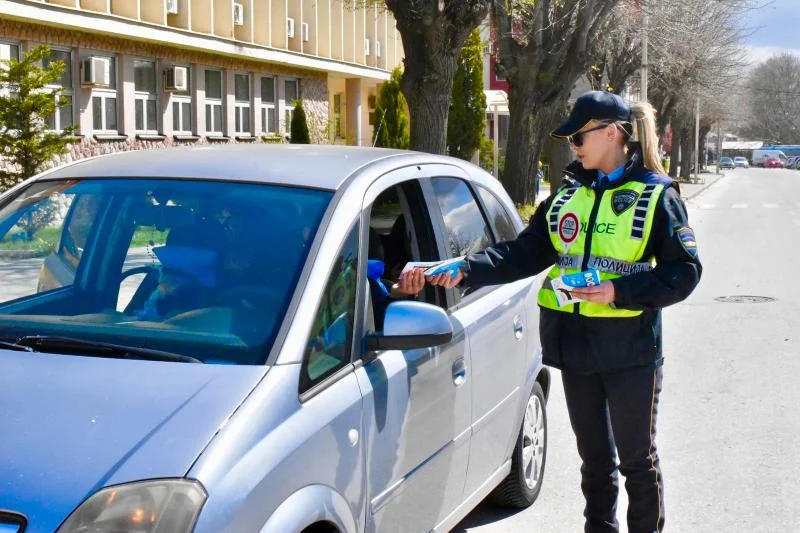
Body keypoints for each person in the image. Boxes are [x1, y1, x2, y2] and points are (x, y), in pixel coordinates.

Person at [424, 91, 702, 533]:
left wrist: (617, 291)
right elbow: (524, 253)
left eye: (579, 137)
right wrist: (465, 269)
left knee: (637, 461)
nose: (573, 147)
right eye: (571, 139)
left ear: (612, 134)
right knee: (595, 462)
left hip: (631, 353)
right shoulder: (567, 195)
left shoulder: (656, 195)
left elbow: (684, 272)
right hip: (577, 349)